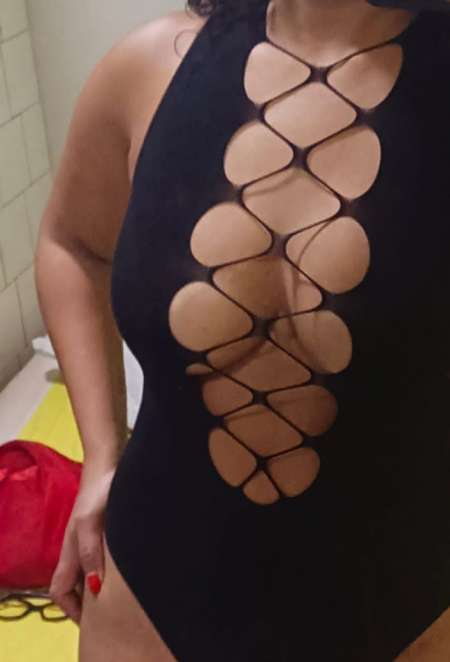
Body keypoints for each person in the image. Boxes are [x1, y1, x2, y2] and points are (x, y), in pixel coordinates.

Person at [35, 0, 450, 660]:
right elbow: (72, 244)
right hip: (147, 595)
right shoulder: (150, 68)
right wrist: (100, 457)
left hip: (401, 609)